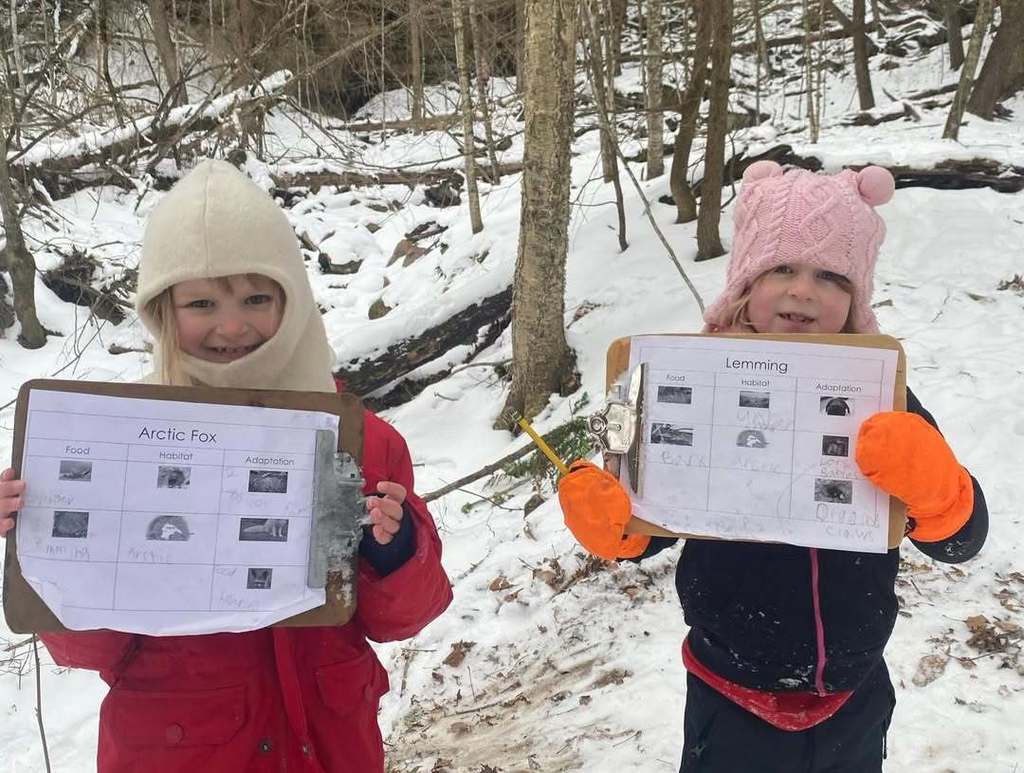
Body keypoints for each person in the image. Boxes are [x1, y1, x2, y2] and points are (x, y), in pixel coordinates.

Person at [0, 159, 452, 773]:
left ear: (293, 300)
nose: (231, 325)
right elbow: (91, 650)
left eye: (257, 296)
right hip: (175, 750)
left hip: (330, 745)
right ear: (162, 311)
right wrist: (43, 541)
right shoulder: (116, 448)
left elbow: (402, 619)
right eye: (202, 302)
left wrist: (393, 550)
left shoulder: (363, 444)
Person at [557, 161, 989, 772]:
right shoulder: (690, 383)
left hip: (854, 694)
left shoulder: (882, 399)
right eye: (781, 268)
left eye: (831, 275)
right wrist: (620, 527)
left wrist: (944, 497)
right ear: (743, 285)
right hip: (730, 694)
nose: (802, 291)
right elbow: (652, 523)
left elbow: (961, 543)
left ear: (855, 297)